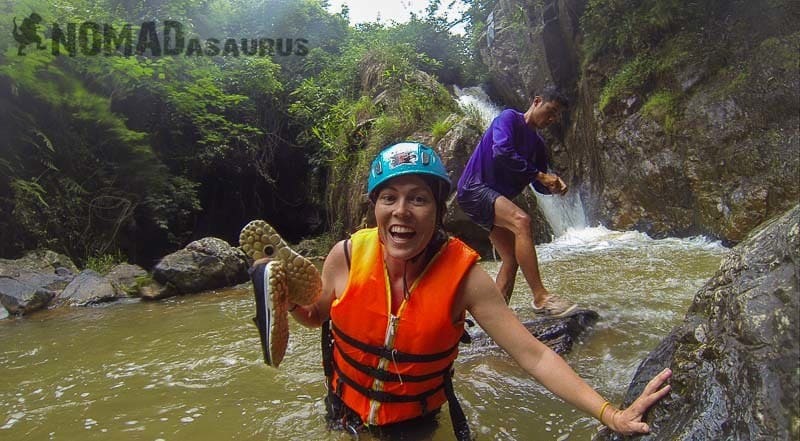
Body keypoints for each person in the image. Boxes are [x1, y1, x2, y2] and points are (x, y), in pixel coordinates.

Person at [280, 142, 671, 440]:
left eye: (418, 198)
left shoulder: (466, 278)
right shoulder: (345, 255)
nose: (401, 211)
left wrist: (611, 414)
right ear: (375, 208)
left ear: (438, 211)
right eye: (389, 198)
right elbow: (316, 316)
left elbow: (533, 355)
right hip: (344, 410)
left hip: (411, 423)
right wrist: (287, 301)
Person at [457, 86, 576, 316]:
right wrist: (541, 175)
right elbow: (501, 150)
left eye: (555, 116)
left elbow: (538, 185)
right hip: (474, 188)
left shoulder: (538, 145)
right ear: (537, 101)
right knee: (522, 220)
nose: (551, 119)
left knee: (511, 257)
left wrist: (553, 186)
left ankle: (495, 315)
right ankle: (541, 297)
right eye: (550, 111)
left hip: (490, 197)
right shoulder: (509, 118)